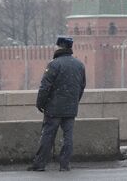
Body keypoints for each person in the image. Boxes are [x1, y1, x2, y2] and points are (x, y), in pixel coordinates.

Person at [27, 36, 86, 172]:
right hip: (70, 108)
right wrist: (74, 101)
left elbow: (45, 87)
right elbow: (82, 86)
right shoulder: (79, 65)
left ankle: (40, 164)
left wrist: (40, 103)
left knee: (47, 136)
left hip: (53, 108)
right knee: (68, 137)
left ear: (60, 47)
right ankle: (65, 165)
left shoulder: (54, 64)